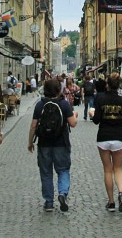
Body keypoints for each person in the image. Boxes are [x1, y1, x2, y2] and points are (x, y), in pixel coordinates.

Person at [28, 78, 78, 212]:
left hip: (44, 143)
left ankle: (49, 202)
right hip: (61, 143)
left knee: (46, 172)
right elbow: (73, 123)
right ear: (58, 90)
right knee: (63, 170)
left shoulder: (40, 105)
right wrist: (75, 115)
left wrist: (30, 142)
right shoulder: (64, 104)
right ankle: (62, 193)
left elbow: (33, 125)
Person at [92, 73, 122, 212]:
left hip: (103, 137)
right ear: (119, 85)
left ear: (107, 85)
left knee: (108, 170)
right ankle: (121, 192)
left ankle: (111, 202)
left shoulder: (100, 99)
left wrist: (92, 114)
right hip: (118, 137)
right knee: (118, 169)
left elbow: (96, 120)